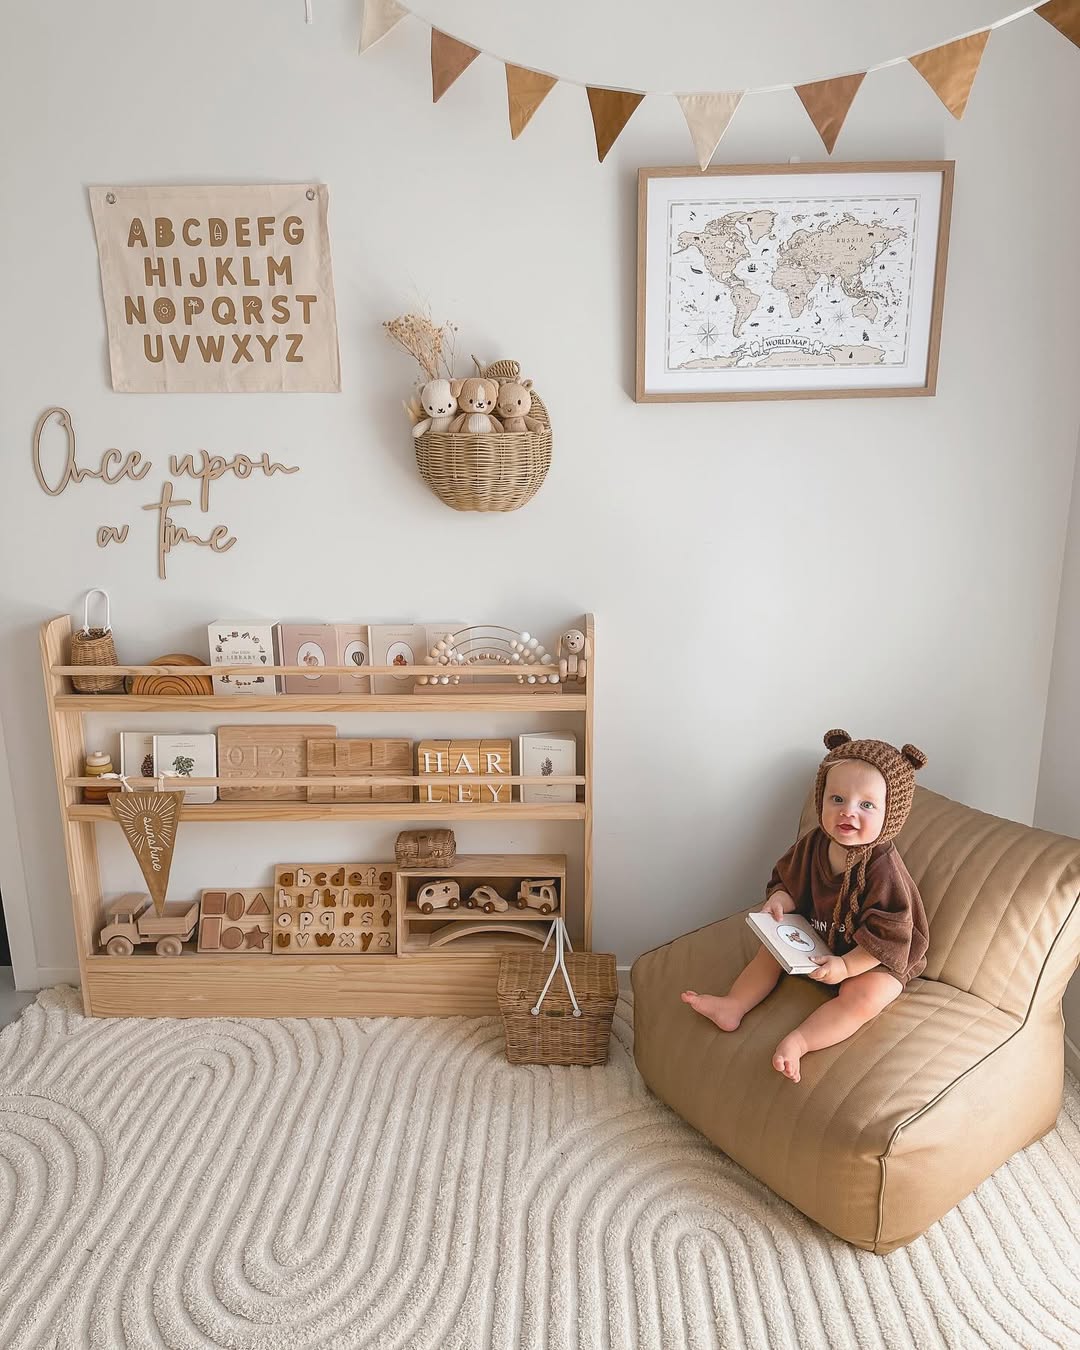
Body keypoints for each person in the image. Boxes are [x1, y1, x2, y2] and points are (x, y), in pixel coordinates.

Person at [682, 729, 929, 1083]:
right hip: (822, 932)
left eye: (867, 805)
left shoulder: (883, 870)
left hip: (873, 954)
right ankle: (733, 1005)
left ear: (891, 813)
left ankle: (801, 1042)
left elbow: (889, 935)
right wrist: (781, 900)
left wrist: (846, 967)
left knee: (868, 994)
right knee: (770, 948)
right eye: (838, 799)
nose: (848, 813)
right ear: (822, 799)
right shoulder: (815, 843)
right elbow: (788, 880)